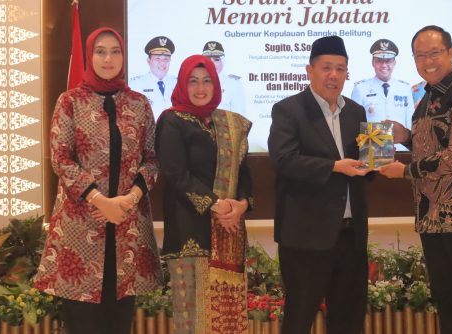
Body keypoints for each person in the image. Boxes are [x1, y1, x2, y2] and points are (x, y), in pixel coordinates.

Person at [33, 27, 162, 334]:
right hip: (81, 230)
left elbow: (152, 159)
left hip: (126, 227)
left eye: (115, 52)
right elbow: (61, 159)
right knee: (82, 323)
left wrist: (129, 199)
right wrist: (99, 200)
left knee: (119, 322)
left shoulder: (139, 104)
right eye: (100, 52)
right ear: (89, 56)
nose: (108, 59)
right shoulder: (70, 101)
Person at [379, 25, 452, 334]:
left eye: (434, 53)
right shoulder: (427, 96)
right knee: (447, 301)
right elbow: (435, 145)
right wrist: (406, 137)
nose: (428, 61)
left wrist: (406, 171)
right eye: (420, 55)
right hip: (432, 218)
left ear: (451, 53)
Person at [268, 35, 370, 334]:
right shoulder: (288, 110)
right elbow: (284, 160)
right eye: (326, 67)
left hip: (350, 236)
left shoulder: (356, 111)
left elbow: (364, 166)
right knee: (299, 319)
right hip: (306, 237)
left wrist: (379, 162)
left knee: (349, 320)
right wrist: (334, 167)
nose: (334, 75)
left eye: (340, 68)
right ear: (309, 70)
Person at [156, 54, 253, 334]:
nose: (201, 88)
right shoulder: (172, 120)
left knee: (227, 319)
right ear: (182, 84)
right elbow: (176, 174)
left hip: (229, 231)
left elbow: (244, 173)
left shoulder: (229, 123)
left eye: (207, 81)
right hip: (190, 233)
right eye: (193, 81)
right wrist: (216, 205)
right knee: (194, 320)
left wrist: (242, 205)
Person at [350, 38, 414, 130]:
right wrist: (385, 133)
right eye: (379, 61)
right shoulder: (360, 89)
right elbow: (354, 124)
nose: (384, 65)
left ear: (394, 63)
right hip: (371, 140)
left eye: (388, 61)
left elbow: (411, 124)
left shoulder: (405, 88)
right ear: (373, 63)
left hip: (401, 140)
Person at [129, 35, 178, 118]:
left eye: (166, 59)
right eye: (157, 59)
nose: (162, 63)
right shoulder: (135, 84)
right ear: (148, 61)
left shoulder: (177, 83)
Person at [202, 40, 246, 115]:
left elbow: (239, 117)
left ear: (222, 61)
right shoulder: (193, 84)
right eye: (208, 60)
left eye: (216, 60)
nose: (212, 64)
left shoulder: (234, 84)